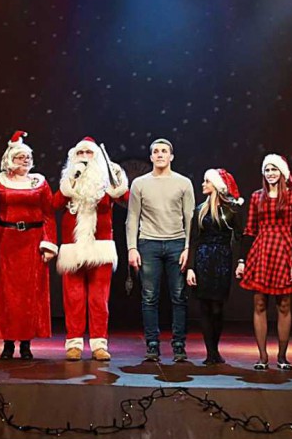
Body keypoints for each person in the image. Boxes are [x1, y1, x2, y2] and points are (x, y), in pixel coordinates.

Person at [53, 137, 128, 361]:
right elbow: (54, 204)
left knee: (99, 299)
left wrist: (117, 179)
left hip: (100, 247)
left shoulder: (106, 180)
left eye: (89, 153)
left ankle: (99, 344)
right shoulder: (68, 180)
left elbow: (125, 198)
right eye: (80, 153)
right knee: (73, 298)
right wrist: (71, 182)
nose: (84, 157)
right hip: (73, 248)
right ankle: (74, 343)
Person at [0, 131, 58, 359]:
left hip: (32, 241)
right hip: (8, 241)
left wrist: (49, 243)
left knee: (30, 292)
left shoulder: (39, 182)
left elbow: (48, 214)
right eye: (20, 157)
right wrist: (3, 224)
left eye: (28, 157)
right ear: (10, 159)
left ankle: (26, 343)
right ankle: (8, 343)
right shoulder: (0, 181)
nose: (25, 160)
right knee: (8, 293)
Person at [126, 138, 196, 362]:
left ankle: (179, 345)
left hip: (177, 243)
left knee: (179, 296)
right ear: (151, 157)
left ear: (171, 156)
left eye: (164, 151)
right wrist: (132, 248)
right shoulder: (139, 184)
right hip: (148, 243)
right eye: (155, 151)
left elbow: (190, 217)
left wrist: (188, 247)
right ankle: (152, 345)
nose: (159, 154)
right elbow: (132, 217)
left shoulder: (183, 183)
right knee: (149, 297)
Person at [236, 155, 292, 371]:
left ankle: (282, 356)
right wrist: (242, 260)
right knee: (259, 303)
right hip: (262, 251)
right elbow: (249, 230)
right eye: (267, 170)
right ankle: (262, 356)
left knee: (284, 304)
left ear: (282, 172)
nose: (271, 173)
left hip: (284, 252)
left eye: (274, 169)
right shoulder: (257, 197)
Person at [184, 168, 246, 365]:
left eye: (207, 181)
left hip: (222, 260)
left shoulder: (231, 210)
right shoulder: (199, 210)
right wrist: (191, 267)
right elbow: (194, 239)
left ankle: (215, 348)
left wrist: (241, 261)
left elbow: (241, 236)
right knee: (204, 307)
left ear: (217, 185)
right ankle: (210, 352)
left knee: (217, 307)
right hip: (203, 259)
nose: (203, 184)